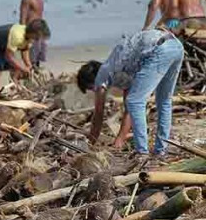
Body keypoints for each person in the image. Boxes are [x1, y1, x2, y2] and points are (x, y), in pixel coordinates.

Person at [77, 28, 183, 158]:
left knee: (136, 101)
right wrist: (120, 140)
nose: (96, 92)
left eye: (92, 89)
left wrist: (91, 143)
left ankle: (142, 152)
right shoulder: (119, 66)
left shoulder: (102, 75)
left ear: (91, 82)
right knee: (164, 101)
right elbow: (129, 110)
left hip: (159, 50)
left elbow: (99, 114)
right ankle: (161, 150)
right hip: (176, 45)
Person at [0, 18, 49, 90]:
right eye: (37, 37)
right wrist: (23, 68)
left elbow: (25, 50)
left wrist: (28, 64)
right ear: (32, 33)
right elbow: (8, 56)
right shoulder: (18, 36)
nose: (38, 39)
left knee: (15, 69)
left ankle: (15, 88)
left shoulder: (30, 38)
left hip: (5, 45)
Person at [18, 0, 51, 67]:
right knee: (30, 59)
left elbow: (40, 16)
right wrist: (23, 35)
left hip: (39, 32)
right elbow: (22, 18)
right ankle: (30, 76)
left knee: (39, 58)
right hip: (30, 33)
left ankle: (36, 75)